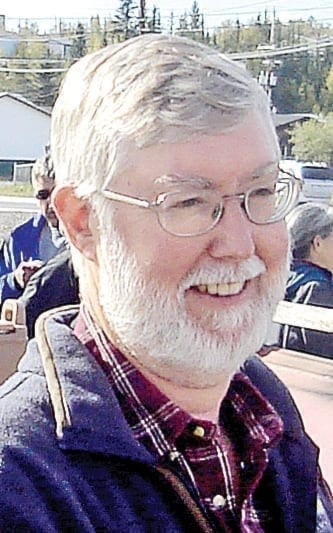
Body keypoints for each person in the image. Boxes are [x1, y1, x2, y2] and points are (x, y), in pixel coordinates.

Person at [0, 34, 331, 531]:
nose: (240, 244)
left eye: (261, 192)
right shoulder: (21, 488)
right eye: (189, 202)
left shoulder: (262, 408)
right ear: (83, 223)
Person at [0, 152, 67, 304]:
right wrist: (15, 280)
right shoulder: (19, 240)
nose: (51, 204)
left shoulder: (94, 238)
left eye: (57, 193)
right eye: (43, 195)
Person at [280, 202, 333, 358]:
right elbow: (322, 352)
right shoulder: (317, 287)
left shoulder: (283, 277)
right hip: (311, 374)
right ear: (318, 243)